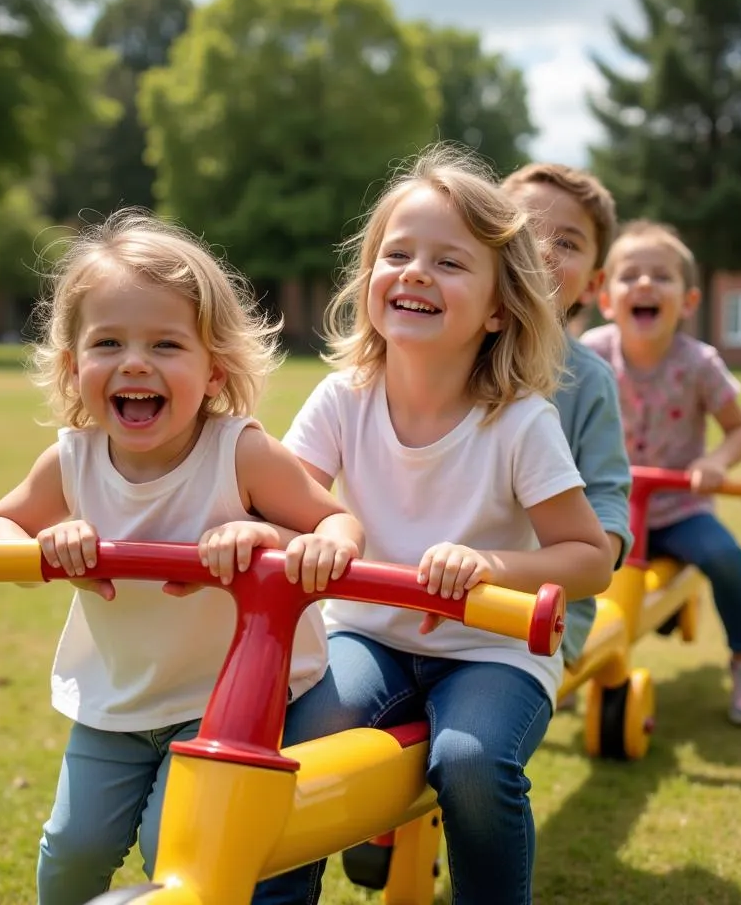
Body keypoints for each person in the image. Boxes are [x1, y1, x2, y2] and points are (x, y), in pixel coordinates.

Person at [253, 146, 613, 905]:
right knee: (297, 745)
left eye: (449, 262)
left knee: (471, 763)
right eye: (398, 254)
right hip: (370, 633)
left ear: (497, 308)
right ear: (370, 278)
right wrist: (295, 537)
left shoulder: (520, 423)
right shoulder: (341, 398)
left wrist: (489, 566)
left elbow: (589, 560)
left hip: (492, 648)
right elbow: (279, 507)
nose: (415, 272)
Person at [0, 212, 364, 905]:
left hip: (227, 703)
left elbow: (335, 521)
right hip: (116, 700)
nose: (134, 362)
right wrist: (42, 548)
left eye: (165, 343)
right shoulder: (71, 461)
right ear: (74, 366)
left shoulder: (239, 453)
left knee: (177, 848)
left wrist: (284, 544)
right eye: (107, 342)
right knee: (73, 851)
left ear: (213, 371)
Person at [582, 219, 741, 726]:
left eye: (661, 277)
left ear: (688, 302)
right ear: (606, 298)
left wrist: (713, 463)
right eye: (630, 276)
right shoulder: (588, 355)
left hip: (678, 508)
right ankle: (557, 657)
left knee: (725, 556)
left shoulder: (700, 363)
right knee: (560, 565)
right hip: (608, 507)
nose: (644, 285)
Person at [500, 163, 633, 678]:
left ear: (595, 283)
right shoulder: (450, 350)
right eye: (524, 229)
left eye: (569, 243)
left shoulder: (588, 379)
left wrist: (588, 560)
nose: (543, 250)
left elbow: (606, 496)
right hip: (432, 591)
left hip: (542, 604)